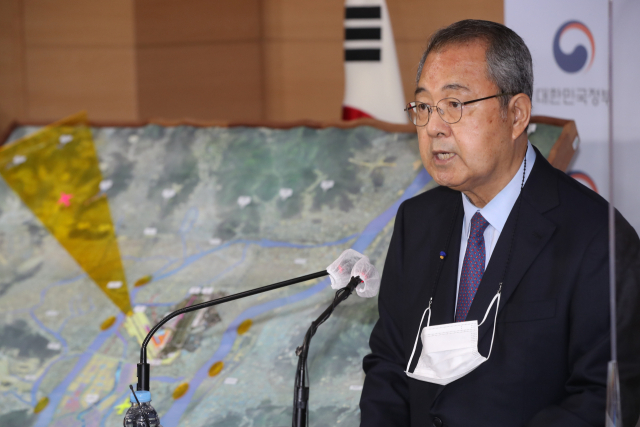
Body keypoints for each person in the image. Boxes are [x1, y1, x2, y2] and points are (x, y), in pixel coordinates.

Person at [359, 19, 640, 427]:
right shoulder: (416, 223)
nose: (434, 127)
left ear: (516, 114)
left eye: (454, 105)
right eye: (424, 106)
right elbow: (388, 367)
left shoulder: (597, 238)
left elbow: (605, 397)